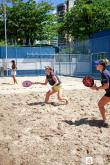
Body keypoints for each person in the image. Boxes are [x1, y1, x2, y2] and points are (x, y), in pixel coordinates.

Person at [91, 59, 110, 124]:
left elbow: (106, 86)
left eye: (97, 64)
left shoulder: (104, 73)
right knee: (100, 104)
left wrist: (97, 88)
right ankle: (105, 120)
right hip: (108, 92)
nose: (95, 65)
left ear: (101, 66)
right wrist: (96, 87)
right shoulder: (103, 72)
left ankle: (105, 121)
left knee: (100, 104)